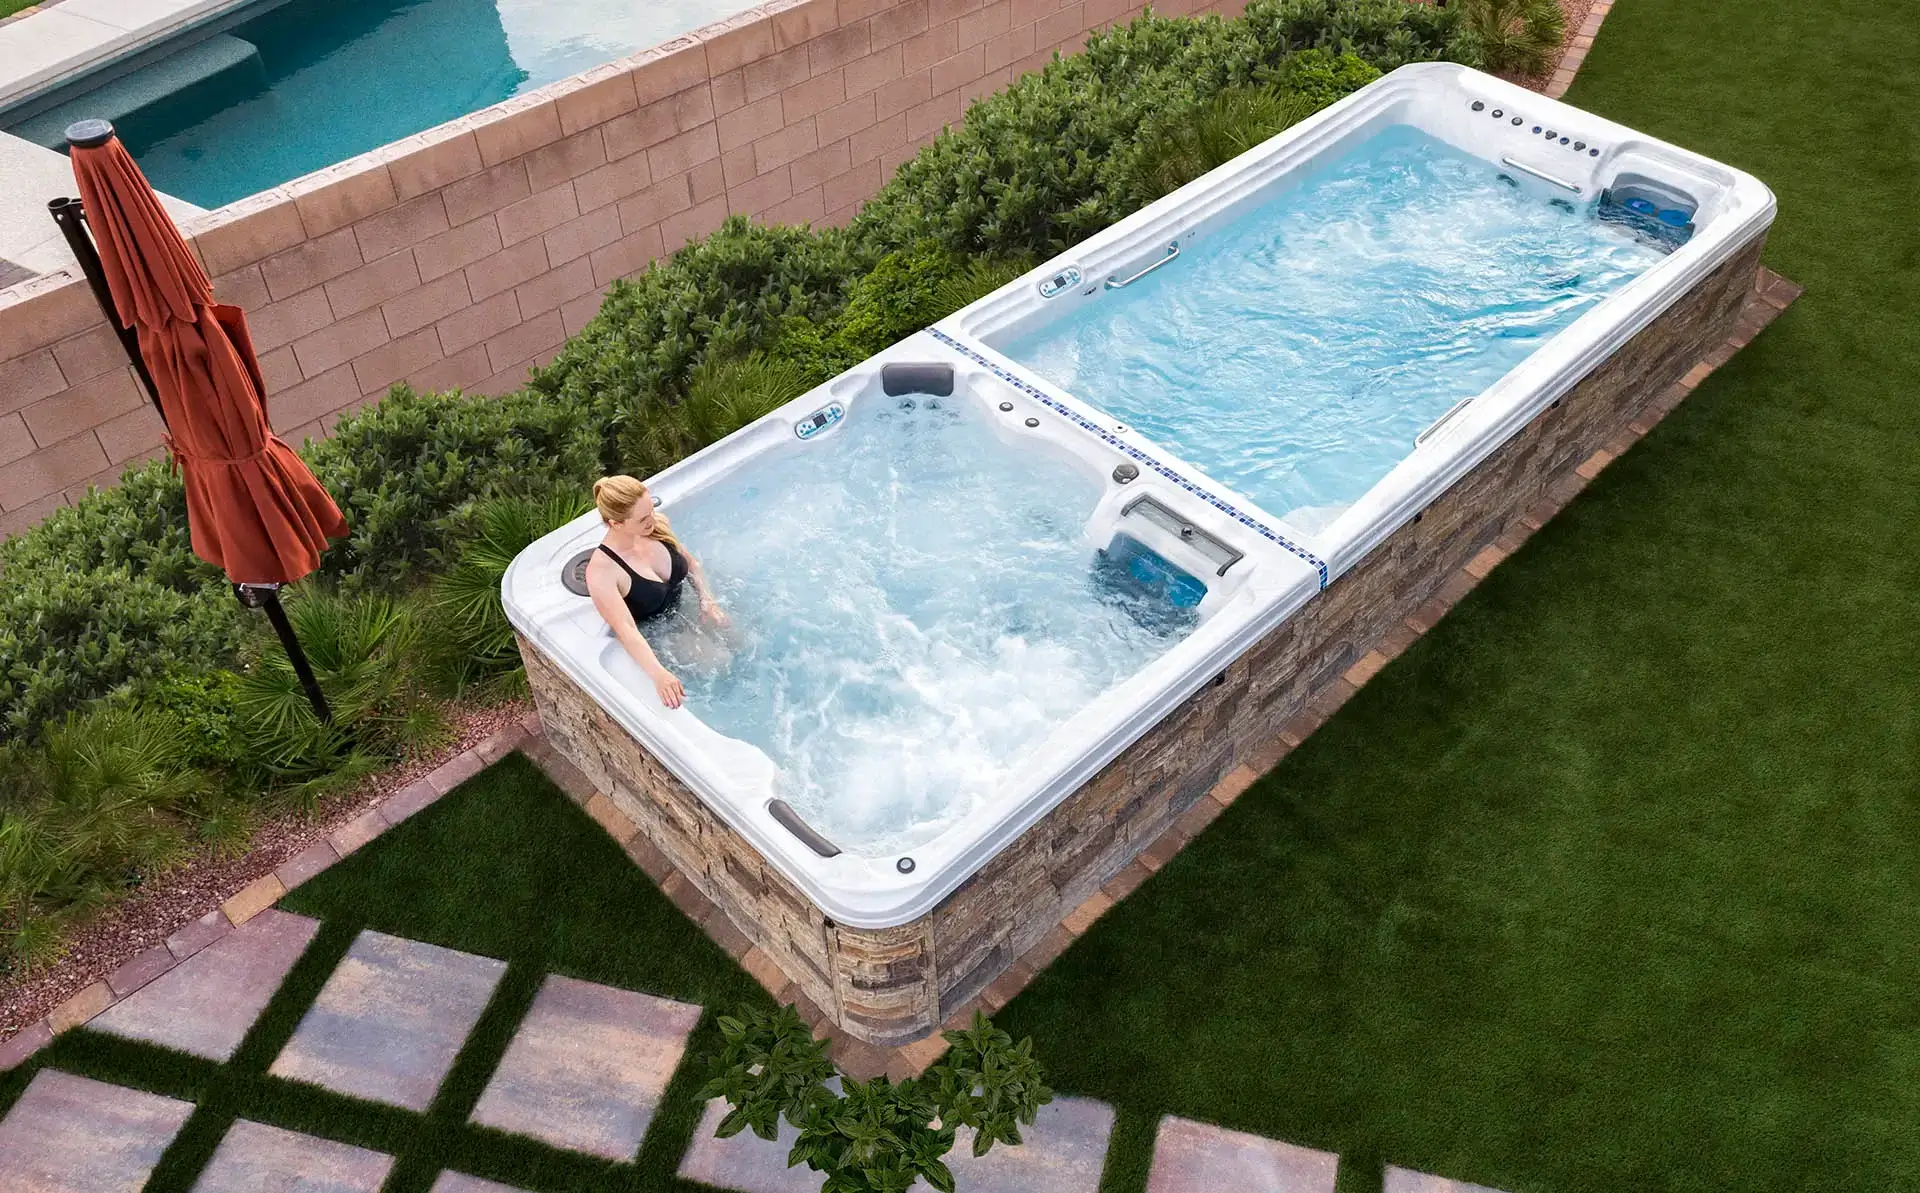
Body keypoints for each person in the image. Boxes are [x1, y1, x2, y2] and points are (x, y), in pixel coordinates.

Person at [585, 475, 726, 709]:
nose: (652, 520)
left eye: (651, 509)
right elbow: (626, 630)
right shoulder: (603, 572)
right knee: (722, 665)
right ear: (615, 523)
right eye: (642, 519)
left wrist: (707, 599)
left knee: (744, 643)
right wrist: (659, 674)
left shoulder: (657, 526)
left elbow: (692, 565)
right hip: (662, 635)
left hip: (687, 611)